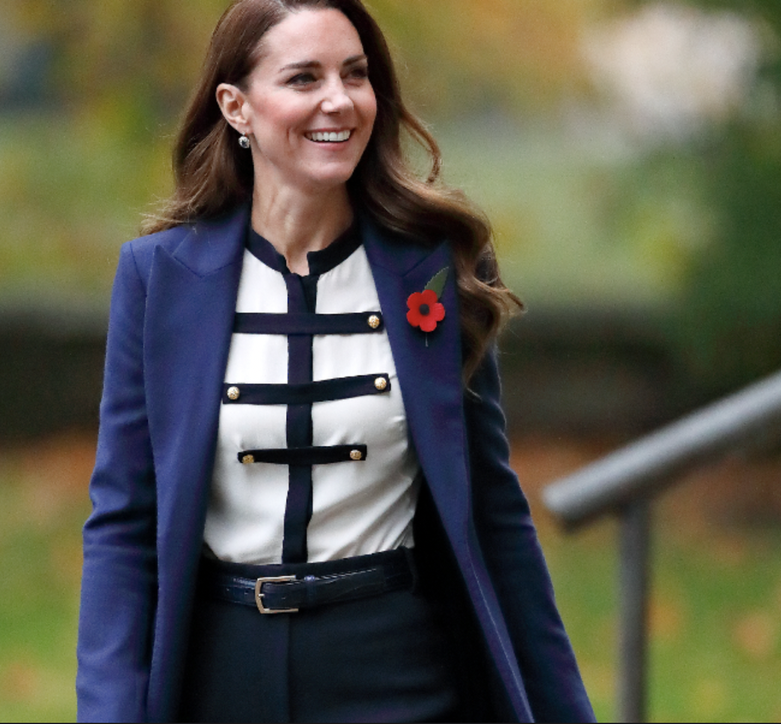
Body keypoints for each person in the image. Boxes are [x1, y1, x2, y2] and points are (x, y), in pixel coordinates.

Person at [76, 0, 594, 721]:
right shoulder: (159, 280)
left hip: (396, 667)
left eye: (355, 75)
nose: (338, 100)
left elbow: (494, 513)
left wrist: (561, 708)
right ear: (237, 107)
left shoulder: (436, 271)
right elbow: (124, 526)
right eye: (303, 78)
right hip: (220, 672)